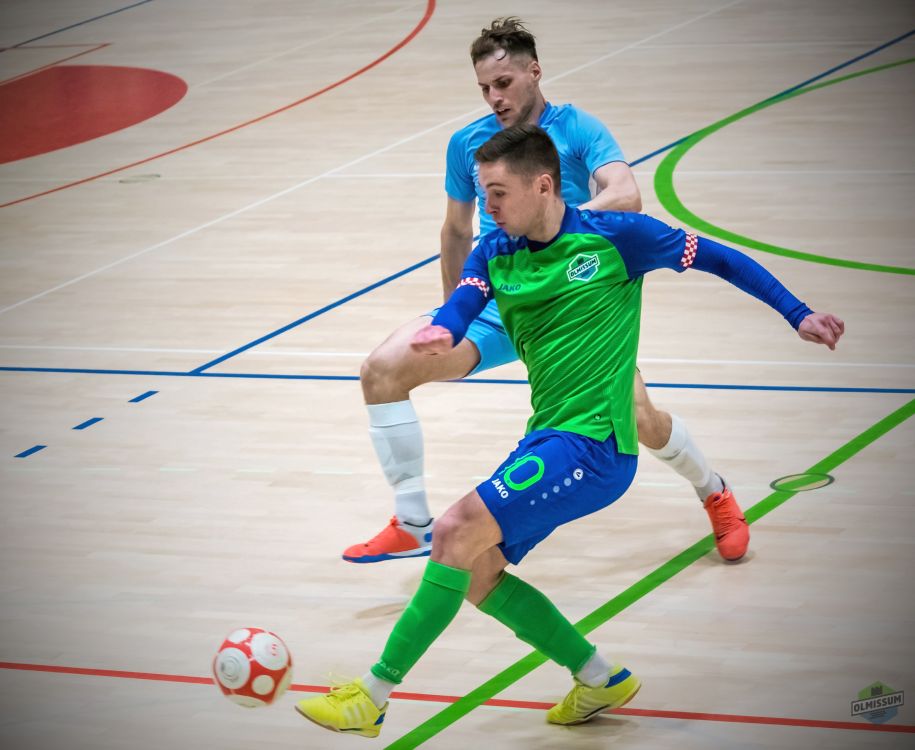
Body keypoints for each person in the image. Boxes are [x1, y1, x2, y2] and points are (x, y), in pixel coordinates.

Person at [296, 124, 844, 738]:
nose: (488, 207)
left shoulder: (618, 237)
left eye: (498, 193)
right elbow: (464, 302)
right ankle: (599, 677)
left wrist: (797, 313)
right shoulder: (494, 250)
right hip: (548, 438)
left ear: (543, 185)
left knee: (452, 531)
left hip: (596, 446)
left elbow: (720, 257)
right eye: (483, 193)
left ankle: (371, 698)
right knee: (475, 570)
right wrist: (445, 329)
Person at [347, 17, 750, 566]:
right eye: (484, 88)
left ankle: (714, 491)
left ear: (534, 72)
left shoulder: (578, 129)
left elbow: (626, 193)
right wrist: (451, 318)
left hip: (572, 307)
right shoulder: (468, 144)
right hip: (498, 303)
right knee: (381, 371)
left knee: (641, 419)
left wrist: (556, 239)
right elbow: (456, 231)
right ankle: (414, 522)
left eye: (504, 83)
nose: (495, 97)